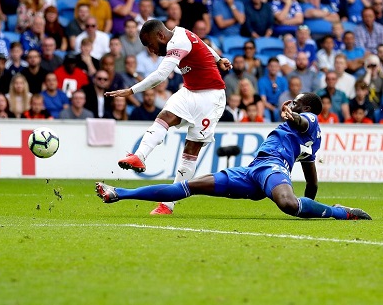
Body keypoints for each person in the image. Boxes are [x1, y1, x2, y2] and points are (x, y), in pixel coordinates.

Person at [96, 93, 372, 221]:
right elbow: (311, 183)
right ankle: (118, 193)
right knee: (186, 188)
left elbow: (303, 121)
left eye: (296, 102)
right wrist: (307, 206)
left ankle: (341, 213)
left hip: (272, 169)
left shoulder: (308, 118)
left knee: (288, 204)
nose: (291, 104)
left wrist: (294, 115)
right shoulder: (309, 144)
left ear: (309, 108)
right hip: (252, 171)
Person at [105, 19, 232, 215]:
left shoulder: (177, 43)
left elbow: (160, 75)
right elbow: (203, 44)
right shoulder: (182, 31)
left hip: (211, 97)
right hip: (190, 91)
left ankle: (168, 204)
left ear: (160, 36)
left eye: (150, 45)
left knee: (191, 149)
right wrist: (218, 59)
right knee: (164, 116)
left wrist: (131, 90)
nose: (151, 50)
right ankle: (139, 156)